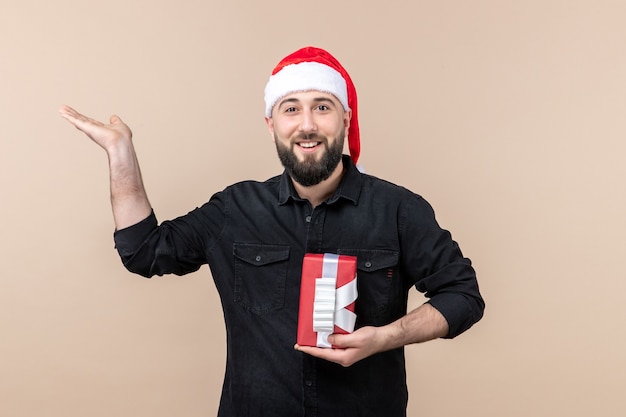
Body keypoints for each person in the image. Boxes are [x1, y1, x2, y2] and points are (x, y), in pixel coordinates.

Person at [60, 46, 484, 417]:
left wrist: (384, 338)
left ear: (346, 118)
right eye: (291, 108)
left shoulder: (398, 210)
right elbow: (144, 252)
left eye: (322, 106)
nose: (307, 125)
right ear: (271, 124)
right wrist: (120, 153)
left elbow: (463, 296)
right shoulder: (235, 209)